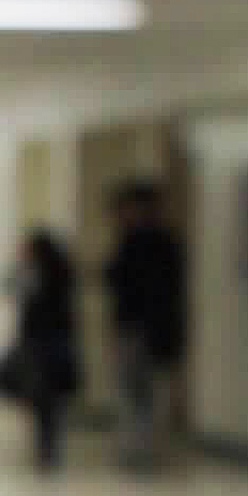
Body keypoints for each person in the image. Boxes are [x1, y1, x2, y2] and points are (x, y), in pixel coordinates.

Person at [104, 181, 186, 469]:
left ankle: (141, 447)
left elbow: (124, 281)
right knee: (137, 390)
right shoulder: (152, 240)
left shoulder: (144, 242)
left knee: (139, 390)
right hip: (139, 327)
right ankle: (139, 446)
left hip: (142, 327)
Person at [1, 230, 81, 470]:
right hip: (57, 340)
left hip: (40, 342)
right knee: (52, 400)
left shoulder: (37, 274)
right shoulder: (62, 273)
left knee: (42, 397)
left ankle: (45, 447)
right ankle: (49, 447)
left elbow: (9, 287)